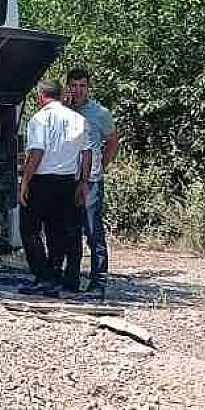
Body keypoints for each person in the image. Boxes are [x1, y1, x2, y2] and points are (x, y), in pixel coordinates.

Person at [17, 79, 90, 298]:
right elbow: (86, 153)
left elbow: (37, 153)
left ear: (41, 96)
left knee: (29, 229)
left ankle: (43, 276)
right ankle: (55, 274)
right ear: (60, 95)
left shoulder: (39, 119)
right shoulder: (78, 118)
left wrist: (25, 181)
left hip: (42, 180)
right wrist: (83, 182)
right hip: (67, 180)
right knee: (56, 230)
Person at [66, 67, 119, 295]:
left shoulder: (99, 113)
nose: (78, 90)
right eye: (74, 86)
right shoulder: (63, 111)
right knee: (70, 231)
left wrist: (101, 167)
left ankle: (99, 281)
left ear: (89, 87)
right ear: (68, 86)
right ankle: (71, 278)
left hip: (91, 182)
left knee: (93, 231)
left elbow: (112, 142)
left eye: (82, 86)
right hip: (67, 179)